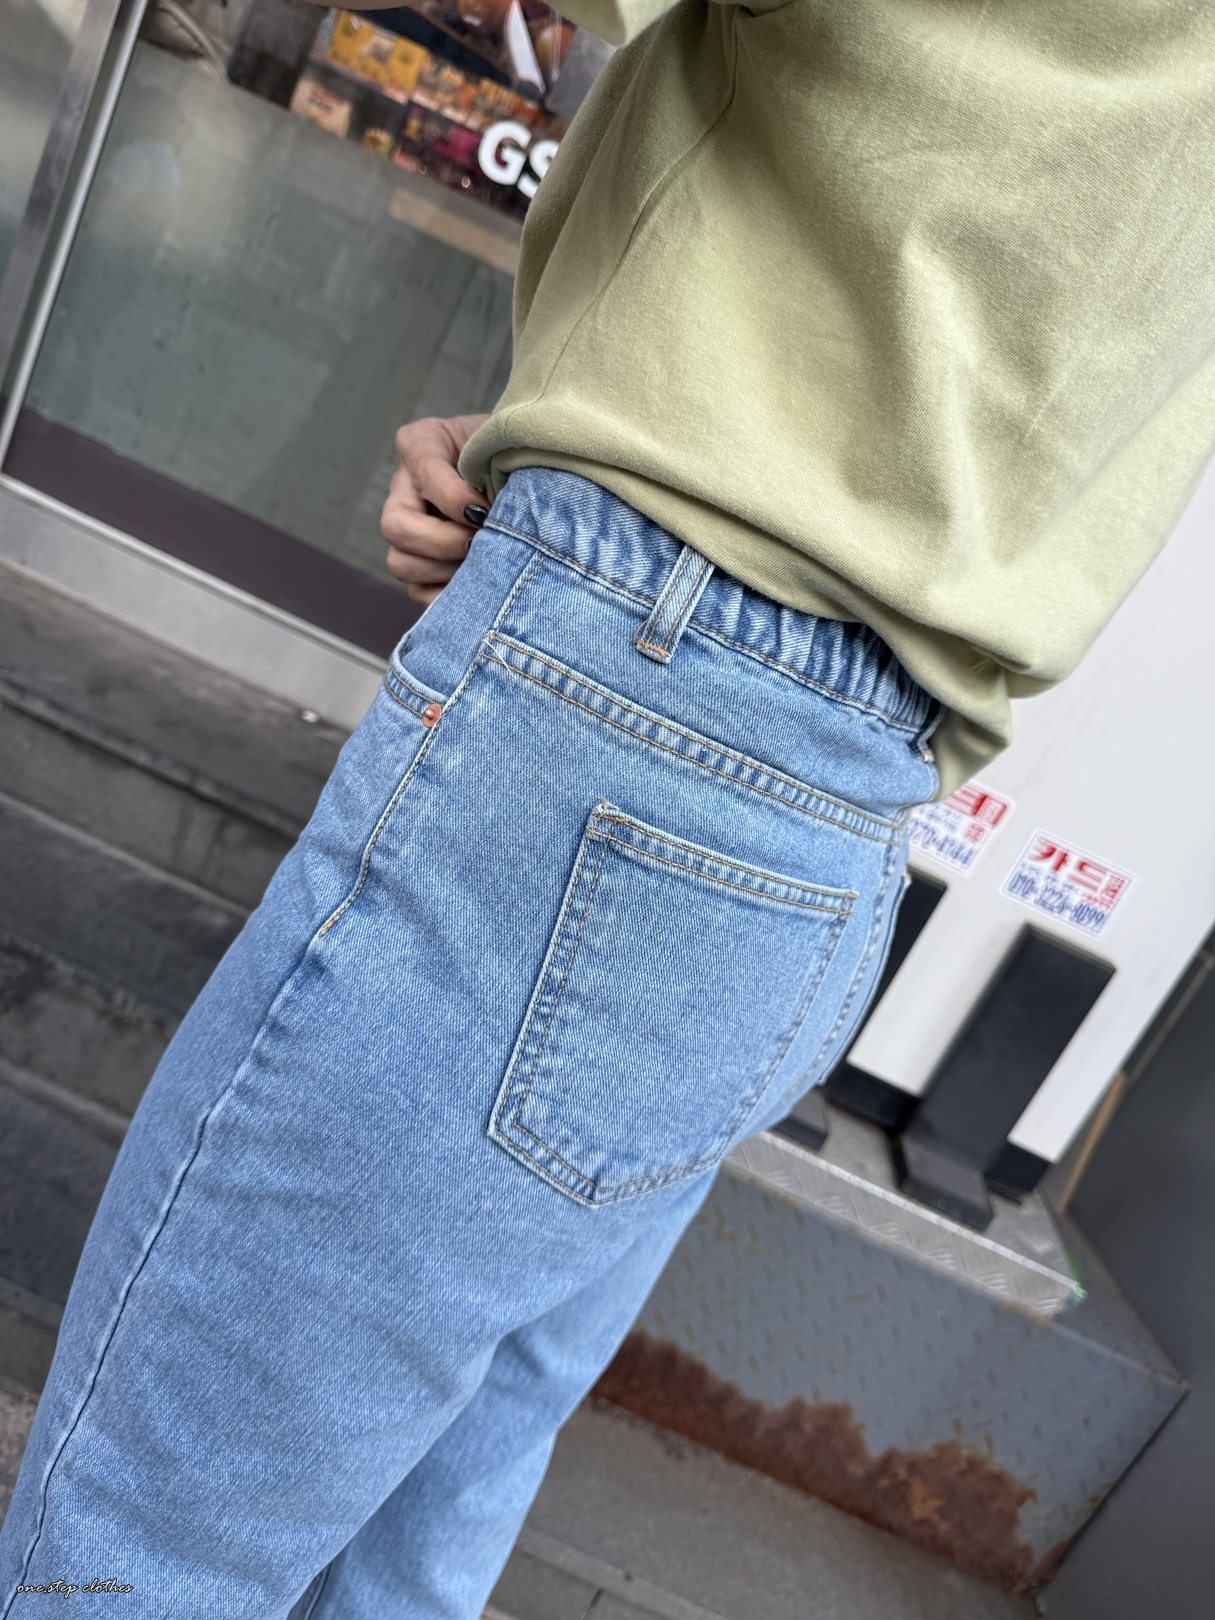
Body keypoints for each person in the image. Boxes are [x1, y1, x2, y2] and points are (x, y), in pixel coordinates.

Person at [3, 0, 1213, 1615]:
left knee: (146, 1551)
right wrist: (585, 461)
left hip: (622, 744)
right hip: (826, 824)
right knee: (407, 1549)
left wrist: (616, 517)